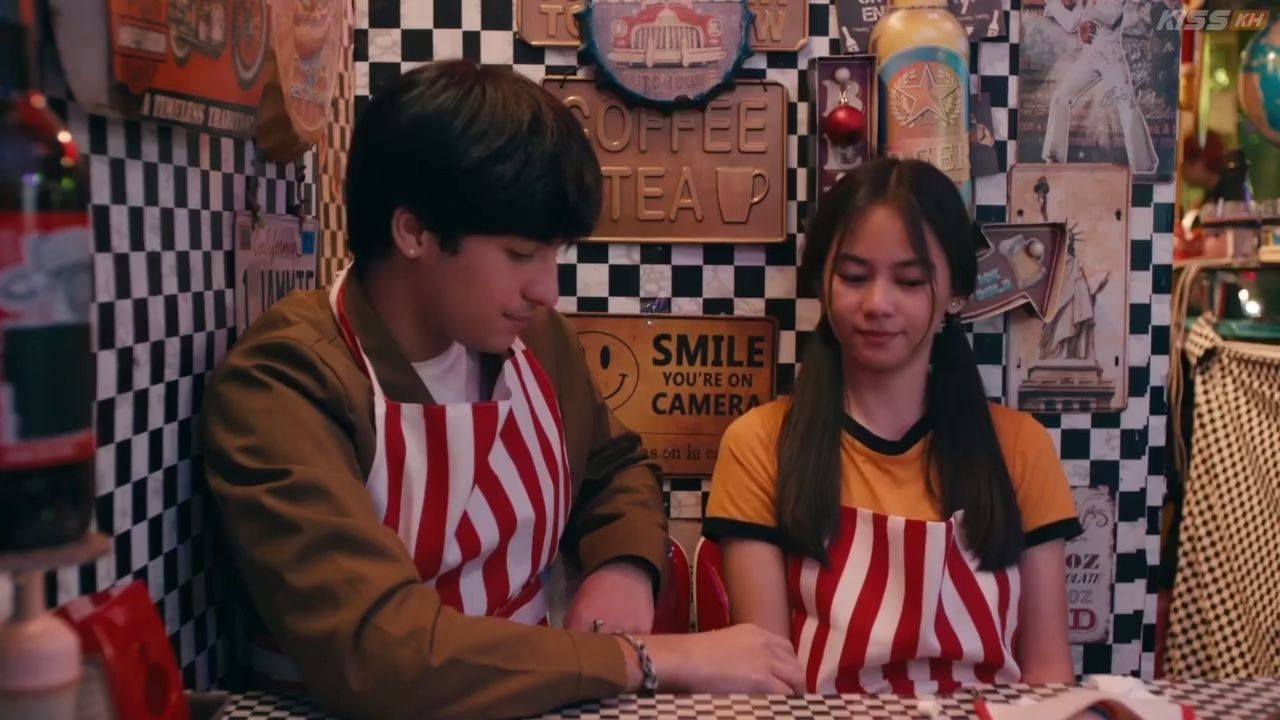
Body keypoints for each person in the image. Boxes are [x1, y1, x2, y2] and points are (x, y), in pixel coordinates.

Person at [201, 60, 802, 720]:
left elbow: (613, 467)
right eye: (521, 255)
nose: (547, 290)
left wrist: (623, 566)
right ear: (414, 232)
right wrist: (647, 658)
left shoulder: (537, 342)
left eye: (554, 254)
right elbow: (380, 653)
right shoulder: (286, 382)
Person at [702, 158, 1083, 696]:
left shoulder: (1020, 447)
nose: (877, 304)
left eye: (909, 281)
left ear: (956, 293)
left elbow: (1049, 674)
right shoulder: (759, 444)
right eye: (854, 277)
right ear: (822, 283)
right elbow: (766, 681)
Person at [1040, 0, 1157, 174]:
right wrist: (1054, 3)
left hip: (1111, 57)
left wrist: (1088, 12)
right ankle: (1054, 156)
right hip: (1089, 56)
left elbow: (1111, 17)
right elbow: (1071, 23)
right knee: (1060, 97)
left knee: (1127, 106)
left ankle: (1143, 165)